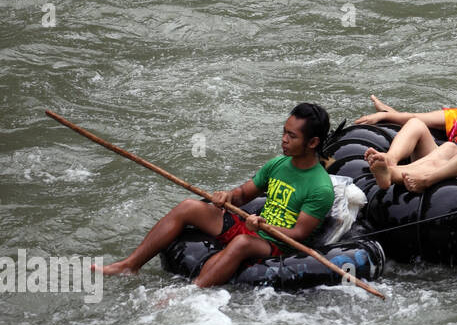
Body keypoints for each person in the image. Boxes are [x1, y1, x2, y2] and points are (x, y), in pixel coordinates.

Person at [96, 104, 335, 287]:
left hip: (277, 245)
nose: (283, 139)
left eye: (292, 136)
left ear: (312, 142)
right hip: (254, 226)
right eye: (284, 132)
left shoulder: (320, 187)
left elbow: (299, 235)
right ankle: (130, 265)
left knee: (242, 242)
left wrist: (264, 225)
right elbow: (242, 195)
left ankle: (192, 290)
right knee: (189, 206)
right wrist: (226, 196)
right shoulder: (279, 164)